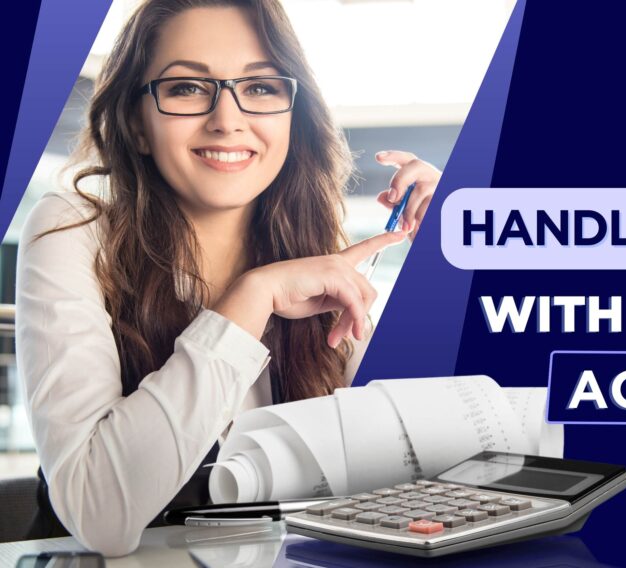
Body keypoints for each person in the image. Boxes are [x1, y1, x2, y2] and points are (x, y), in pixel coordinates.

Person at [14, 0, 440, 556]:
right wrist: (252, 297)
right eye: (188, 88)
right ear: (137, 125)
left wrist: (448, 266)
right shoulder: (74, 230)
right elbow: (99, 514)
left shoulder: (320, 257)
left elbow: (434, 477)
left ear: (293, 114)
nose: (227, 119)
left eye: (260, 88)